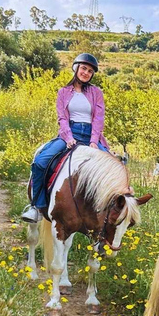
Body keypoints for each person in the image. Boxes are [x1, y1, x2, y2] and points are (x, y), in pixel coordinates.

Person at [21, 53, 111, 223]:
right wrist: (68, 137)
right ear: (76, 68)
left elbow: (99, 118)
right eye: (84, 68)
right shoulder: (63, 92)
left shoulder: (96, 92)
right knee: (41, 162)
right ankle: (36, 207)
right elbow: (62, 118)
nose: (86, 72)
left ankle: (107, 218)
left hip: (92, 135)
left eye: (90, 71)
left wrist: (93, 141)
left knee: (115, 167)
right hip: (70, 132)